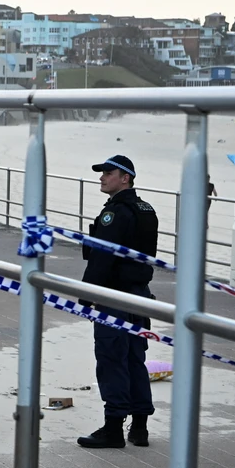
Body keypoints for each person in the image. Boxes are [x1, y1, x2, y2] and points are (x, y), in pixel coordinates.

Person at [77, 155, 159, 449]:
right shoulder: (146, 209)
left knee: (112, 358)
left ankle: (113, 428)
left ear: (125, 178)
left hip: (115, 295)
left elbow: (102, 257)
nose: (102, 178)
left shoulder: (115, 213)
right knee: (135, 359)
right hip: (140, 295)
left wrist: (87, 295)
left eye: (108, 173)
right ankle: (139, 427)